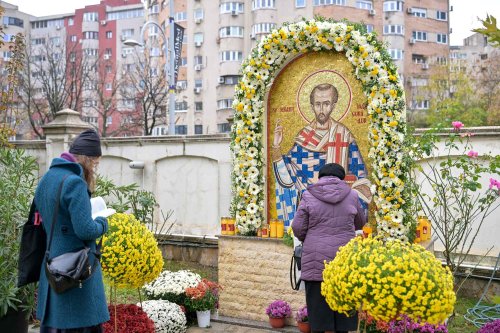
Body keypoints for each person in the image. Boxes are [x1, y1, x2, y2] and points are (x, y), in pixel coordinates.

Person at [35, 129, 109, 333]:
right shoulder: (75, 183)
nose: (94, 168)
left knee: (56, 326)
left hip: (52, 266)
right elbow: (85, 230)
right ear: (86, 159)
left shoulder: (47, 179)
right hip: (75, 272)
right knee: (79, 325)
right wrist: (103, 223)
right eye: (94, 163)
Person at [272, 83, 371, 228]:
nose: (322, 109)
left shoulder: (344, 135)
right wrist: (276, 146)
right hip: (312, 211)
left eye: (326, 104)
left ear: (334, 105)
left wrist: (350, 196)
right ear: (311, 106)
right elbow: (288, 171)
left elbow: (360, 176)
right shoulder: (304, 137)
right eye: (318, 104)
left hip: (339, 212)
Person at [292, 163, 366, 333]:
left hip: (316, 261)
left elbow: (297, 227)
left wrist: (310, 238)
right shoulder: (353, 195)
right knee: (344, 311)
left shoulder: (308, 194)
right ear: (342, 178)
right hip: (344, 262)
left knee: (318, 313)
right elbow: (360, 222)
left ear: (321, 177)